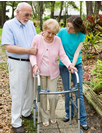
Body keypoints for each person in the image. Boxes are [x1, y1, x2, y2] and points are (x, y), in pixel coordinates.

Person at [30, 18, 77, 127]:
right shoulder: (37, 38)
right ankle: (44, 117)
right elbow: (32, 54)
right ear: (44, 29)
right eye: (48, 32)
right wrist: (34, 65)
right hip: (39, 73)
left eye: (53, 33)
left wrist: (69, 65)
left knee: (53, 97)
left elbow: (62, 55)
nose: (50, 35)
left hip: (53, 74)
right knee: (42, 97)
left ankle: (52, 115)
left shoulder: (57, 40)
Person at [1, 2, 37, 133]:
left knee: (30, 90)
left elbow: (35, 41)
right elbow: (9, 47)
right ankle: (16, 122)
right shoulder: (8, 25)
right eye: (26, 14)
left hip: (31, 62)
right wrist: (29, 50)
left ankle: (26, 112)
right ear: (17, 12)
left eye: (30, 14)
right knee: (18, 93)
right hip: (17, 63)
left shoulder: (30, 24)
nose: (28, 17)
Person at [57, 15, 88, 130]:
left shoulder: (81, 35)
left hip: (76, 65)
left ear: (77, 28)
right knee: (67, 91)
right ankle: (69, 113)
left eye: (71, 28)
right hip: (63, 65)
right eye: (67, 26)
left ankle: (82, 118)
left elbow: (76, 53)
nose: (68, 29)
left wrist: (72, 65)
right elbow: (56, 46)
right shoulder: (61, 32)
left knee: (78, 92)